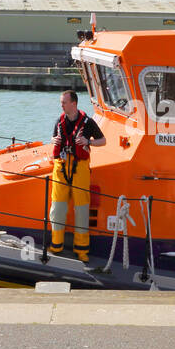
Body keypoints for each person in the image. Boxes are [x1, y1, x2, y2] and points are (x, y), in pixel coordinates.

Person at [49, 90, 106, 261]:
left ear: (73, 103)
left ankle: (81, 249)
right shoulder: (59, 120)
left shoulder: (87, 122)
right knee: (57, 208)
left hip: (80, 168)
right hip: (60, 167)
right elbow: (54, 139)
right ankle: (56, 245)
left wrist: (88, 142)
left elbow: (103, 141)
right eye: (61, 102)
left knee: (81, 209)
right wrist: (53, 142)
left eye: (64, 102)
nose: (61, 105)